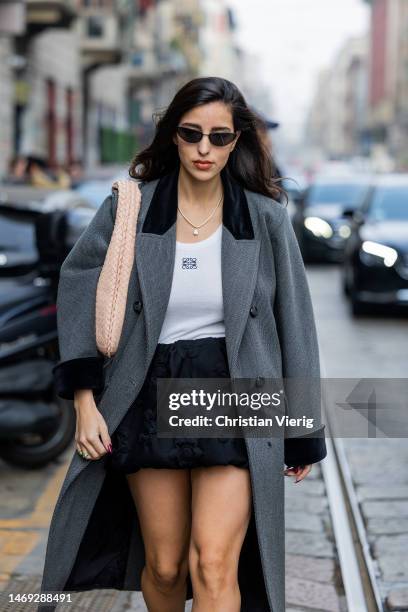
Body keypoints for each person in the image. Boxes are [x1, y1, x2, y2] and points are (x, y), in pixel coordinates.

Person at [38, 76, 327, 612]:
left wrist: (303, 426)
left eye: (220, 137)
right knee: (165, 566)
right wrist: (84, 401)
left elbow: (297, 322)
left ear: (237, 141)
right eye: (191, 133)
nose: (204, 149)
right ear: (172, 134)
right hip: (149, 390)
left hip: (237, 396)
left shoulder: (263, 217)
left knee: (213, 562)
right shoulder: (133, 208)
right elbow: (78, 284)